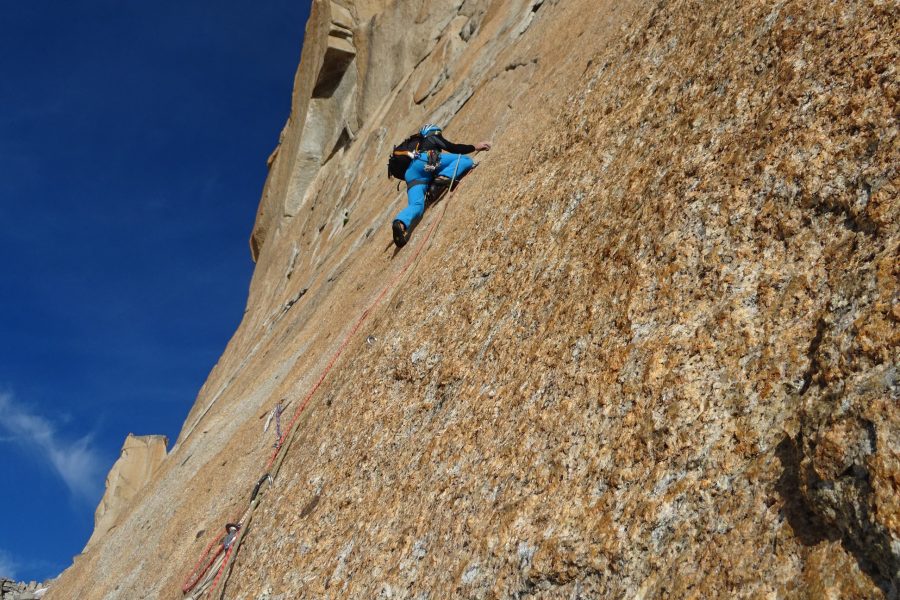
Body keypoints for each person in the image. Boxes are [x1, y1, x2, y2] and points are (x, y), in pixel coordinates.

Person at [392, 124, 491, 247]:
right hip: (426, 159)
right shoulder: (432, 137)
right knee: (465, 160)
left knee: (417, 205)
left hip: (411, 174)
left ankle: (400, 222)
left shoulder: (414, 149)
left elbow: (428, 170)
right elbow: (452, 147)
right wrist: (474, 147)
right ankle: (443, 178)